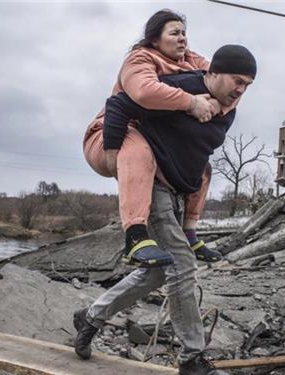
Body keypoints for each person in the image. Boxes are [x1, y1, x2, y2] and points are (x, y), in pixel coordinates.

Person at [75, 45, 257, 375]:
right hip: (152, 183)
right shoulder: (183, 88)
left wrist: (191, 223)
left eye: (248, 84)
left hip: (176, 194)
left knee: (159, 271)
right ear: (213, 73)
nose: (241, 89)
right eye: (237, 80)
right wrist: (116, 155)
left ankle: (90, 316)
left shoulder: (227, 111)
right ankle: (191, 357)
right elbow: (118, 104)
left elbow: (197, 159)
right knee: (182, 266)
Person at [83, 9, 223, 269]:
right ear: (155, 39)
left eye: (184, 33)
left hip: (155, 142)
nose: (183, 38)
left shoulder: (192, 60)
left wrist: (216, 101)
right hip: (111, 135)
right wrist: (191, 102)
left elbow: (223, 80)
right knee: (138, 149)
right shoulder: (139, 59)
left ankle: (191, 234)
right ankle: (135, 237)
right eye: (174, 33)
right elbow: (143, 92)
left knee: (202, 169)